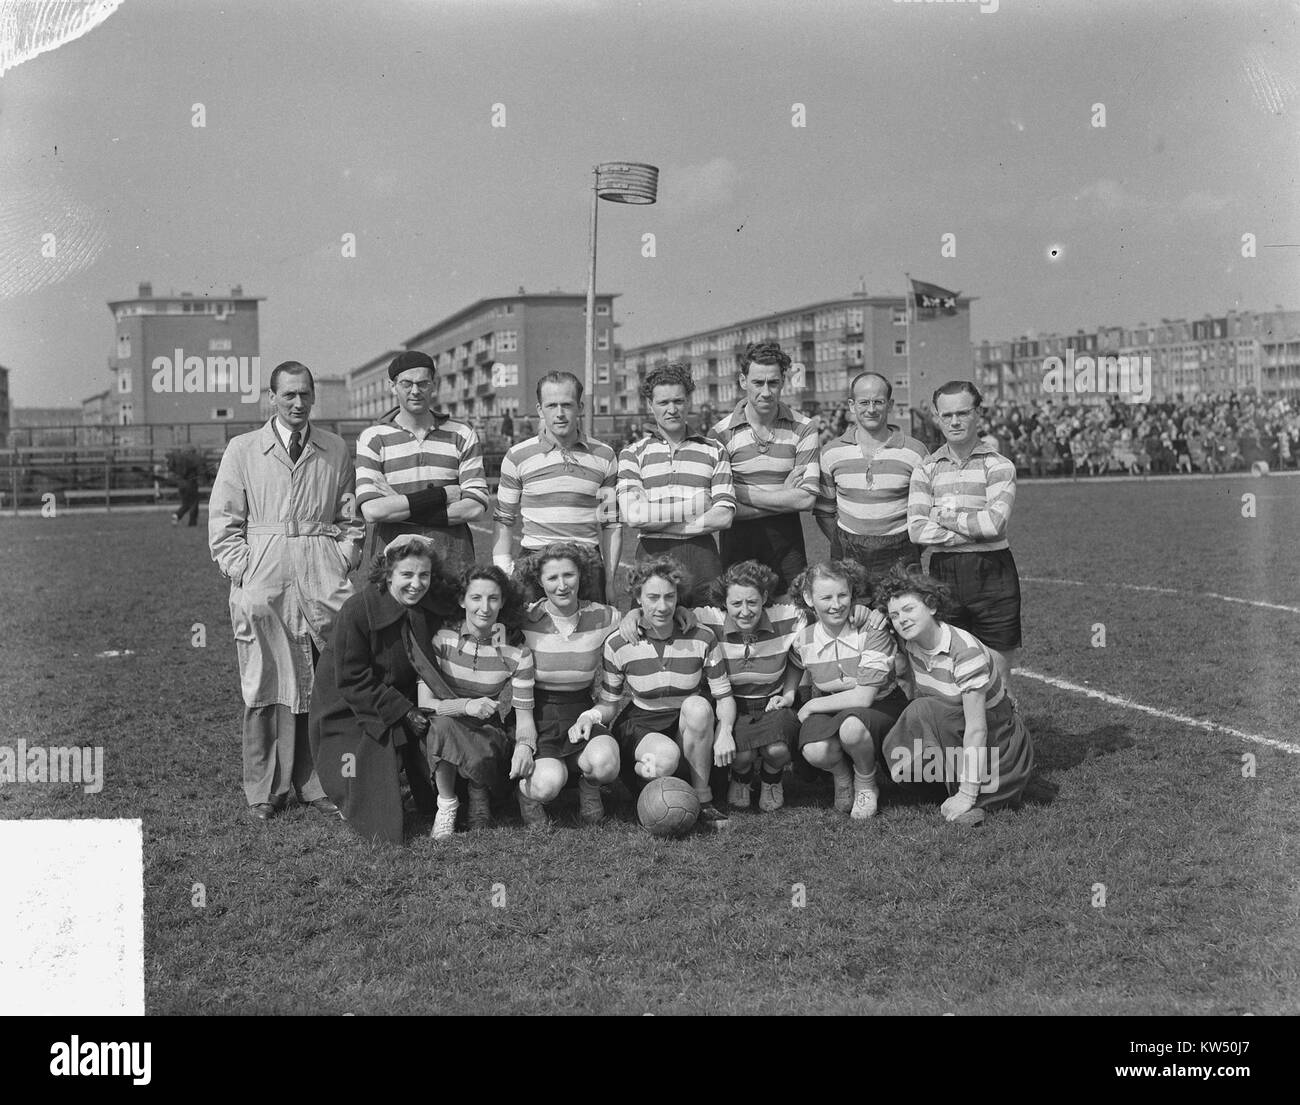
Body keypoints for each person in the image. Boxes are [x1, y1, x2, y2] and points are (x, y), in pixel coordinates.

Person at [208, 361, 365, 822]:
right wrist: (245, 571)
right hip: (266, 570)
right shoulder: (242, 449)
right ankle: (265, 789)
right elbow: (223, 520)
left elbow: (350, 518)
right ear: (271, 397)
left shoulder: (334, 447)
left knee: (325, 679)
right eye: (289, 395)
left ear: (314, 397)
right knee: (266, 680)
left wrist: (343, 556)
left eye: (305, 395)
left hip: (320, 571)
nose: (298, 404)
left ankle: (319, 783)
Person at [308, 536, 457, 845]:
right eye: (407, 575)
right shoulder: (358, 609)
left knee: (442, 745)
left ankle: (433, 796)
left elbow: (471, 596)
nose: (416, 584)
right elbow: (351, 678)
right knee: (376, 804)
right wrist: (402, 710)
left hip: (406, 699)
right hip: (352, 708)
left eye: (424, 575)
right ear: (389, 574)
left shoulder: (429, 606)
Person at [580, 557, 735, 827]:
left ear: (678, 598)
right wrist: (590, 717)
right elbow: (609, 702)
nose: (662, 606)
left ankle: (703, 799)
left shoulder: (703, 636)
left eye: (669, 597)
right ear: (638, 598)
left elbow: (723, 695)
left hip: (687, 724)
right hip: (641, 725)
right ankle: (643, 785)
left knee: (699, 706)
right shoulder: (619, 642)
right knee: (665, 760)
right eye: (652, 597)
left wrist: (725, 733)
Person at [876, 566, 1034, 827]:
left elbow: (977, 728)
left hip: (994, 736)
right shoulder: (913, 643)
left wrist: (967, 792)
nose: (901, 619)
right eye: (894, 615)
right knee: (920, 720)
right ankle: (951, 784)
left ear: (932, 607)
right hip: (953, 728)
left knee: (922, 710)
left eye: (909, 609)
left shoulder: (963, 652)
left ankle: (973, 791)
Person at [908, 381, 1021, 689]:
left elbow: (993, 525)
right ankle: (964, 736)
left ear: (978, 414)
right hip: (944, 572)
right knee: (951, 674)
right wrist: (970, 531)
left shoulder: (998, 465)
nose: (955, 421)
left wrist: (942, 517)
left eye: (962, 413)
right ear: (936, 417)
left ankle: (1006, 738)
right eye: (947, 415)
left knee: (999, 676)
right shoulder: (926, 468)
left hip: (993, 572)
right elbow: (917, 529)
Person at [418, 565, 537, 841]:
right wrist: (465, 706)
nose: (485, 607)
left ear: (503, 602)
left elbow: (525, 715)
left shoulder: (517, 652)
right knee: (443, 727)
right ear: (461, 600)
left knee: (487, 743)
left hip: (486, 729)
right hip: (445, 720)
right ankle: (447, 805)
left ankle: (478, 788)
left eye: (493, 598)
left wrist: (525, 746)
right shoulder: (440, 640)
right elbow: (425, 702)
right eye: (476, 598)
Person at [782, 561, 908, 820]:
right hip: (834, 704)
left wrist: (811, 705)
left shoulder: (873, 630)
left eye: (842, 595)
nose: (836, 604)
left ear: (852, 592)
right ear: (809, 598)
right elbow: (795, 662)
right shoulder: (804, 638)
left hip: (880, 704)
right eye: (826, 597)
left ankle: (866, 781)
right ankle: (842, 775)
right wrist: (789, 692)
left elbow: (864, 697)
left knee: (852, 727)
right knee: (814, 749)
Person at [514, 543, 623, 829]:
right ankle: (528, 795)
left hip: (581, 709)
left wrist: (635, 616)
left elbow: (639, 620)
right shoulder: (524, 617)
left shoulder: (603, 616)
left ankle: (590, 787)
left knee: (606, 764)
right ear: (539, 581)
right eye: (552, 578)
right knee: (547, 785)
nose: (562, 585)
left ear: (581, 575)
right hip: (538, 712)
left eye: (569, 575)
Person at [355, 350, 489, 577]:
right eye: (407, 384)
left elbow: (475, 508)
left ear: (434, 385)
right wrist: (442, 495)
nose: (415, 391)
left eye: (423, 383)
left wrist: (398, 502)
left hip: (452, 564)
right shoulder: (373, 438)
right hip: (394, 565)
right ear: (392, 386)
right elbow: (372, 511)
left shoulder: (462, 433)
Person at [492, 371, 620, 605]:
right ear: (540, 409)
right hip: (534, 562)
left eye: (567, 405)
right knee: (531, 640)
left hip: (587, 563)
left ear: (580, 407)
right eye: (552, 405)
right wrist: (504, 574)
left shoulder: (605, 455)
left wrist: (609, 582)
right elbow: (504, 520)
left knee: (592, 637)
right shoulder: (517, 456)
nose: (560, 414)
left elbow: (610, 523)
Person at [618, 362, 736, 606]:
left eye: (678, 401)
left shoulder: (714, 450)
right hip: (651, 556)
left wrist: (660, 524)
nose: (672, 409)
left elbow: (723, 517)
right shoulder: (632, 454)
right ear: (650, 405)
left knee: (709, 633)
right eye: (663, 403)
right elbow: (634, 516)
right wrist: (693, 506)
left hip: (702, 558)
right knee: (651, 635)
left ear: (689, 401)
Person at [708, 342, 821, 596]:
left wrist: (740, 492)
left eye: (773, 383)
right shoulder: (720, 433)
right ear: (743, 381)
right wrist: (783, 493)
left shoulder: (803, 428)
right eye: (758, 383)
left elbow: (805, 499)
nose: (766, 392)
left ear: (783, 381)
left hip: (787, 543)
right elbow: (719, 506)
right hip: (737, 542)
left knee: (794, 615)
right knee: (740, 616)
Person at [691, 561, 803, 813]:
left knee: (777, 750)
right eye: (736, 603)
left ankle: (771, 778)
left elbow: (827, 607)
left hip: (773, 703)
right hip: (731, 704)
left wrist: (790, 692)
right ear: (724, 602)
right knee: (740, 756)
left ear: (764, 597)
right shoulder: (708, 619)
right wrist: (634, 614)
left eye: (752, 602)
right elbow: (671, 612)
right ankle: (741, 776)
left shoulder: (788, 618)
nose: (745, 611)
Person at [815, 372, 929, 581]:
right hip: (848, 555)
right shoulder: (831, 453)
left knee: (903, 612)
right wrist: (844, 543)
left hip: (901, 553)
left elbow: (928, 510)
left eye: (878, 402)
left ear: (890, 404)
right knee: (850, 612)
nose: (871, 409)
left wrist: (909, 546)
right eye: (864, 402)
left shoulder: (916, 452)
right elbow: (824, 511)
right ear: (851, 405)